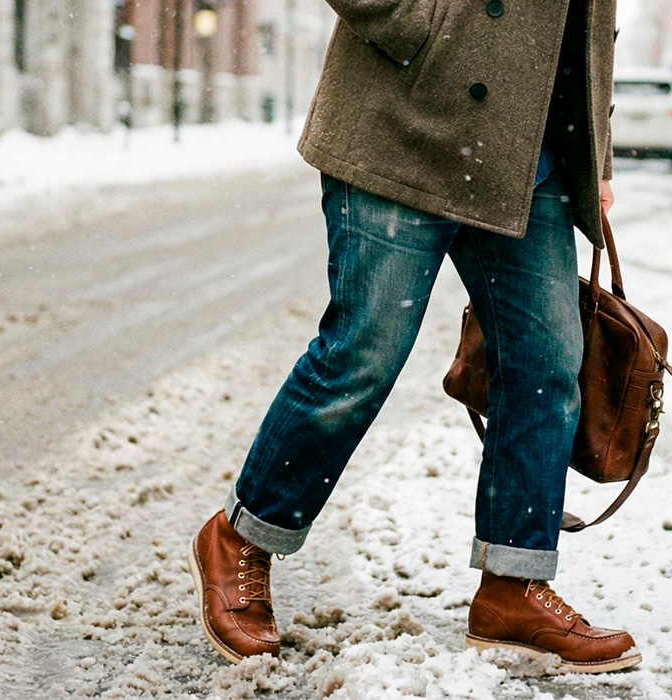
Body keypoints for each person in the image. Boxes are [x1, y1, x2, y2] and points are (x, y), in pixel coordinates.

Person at [188, 0, 642, 674]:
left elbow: (587, 21)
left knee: (548, 365)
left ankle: (512, 588)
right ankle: (242, 537)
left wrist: (593, 154)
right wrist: (423, 34)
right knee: (364, 352)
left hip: (531, 155)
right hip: (404, 120)